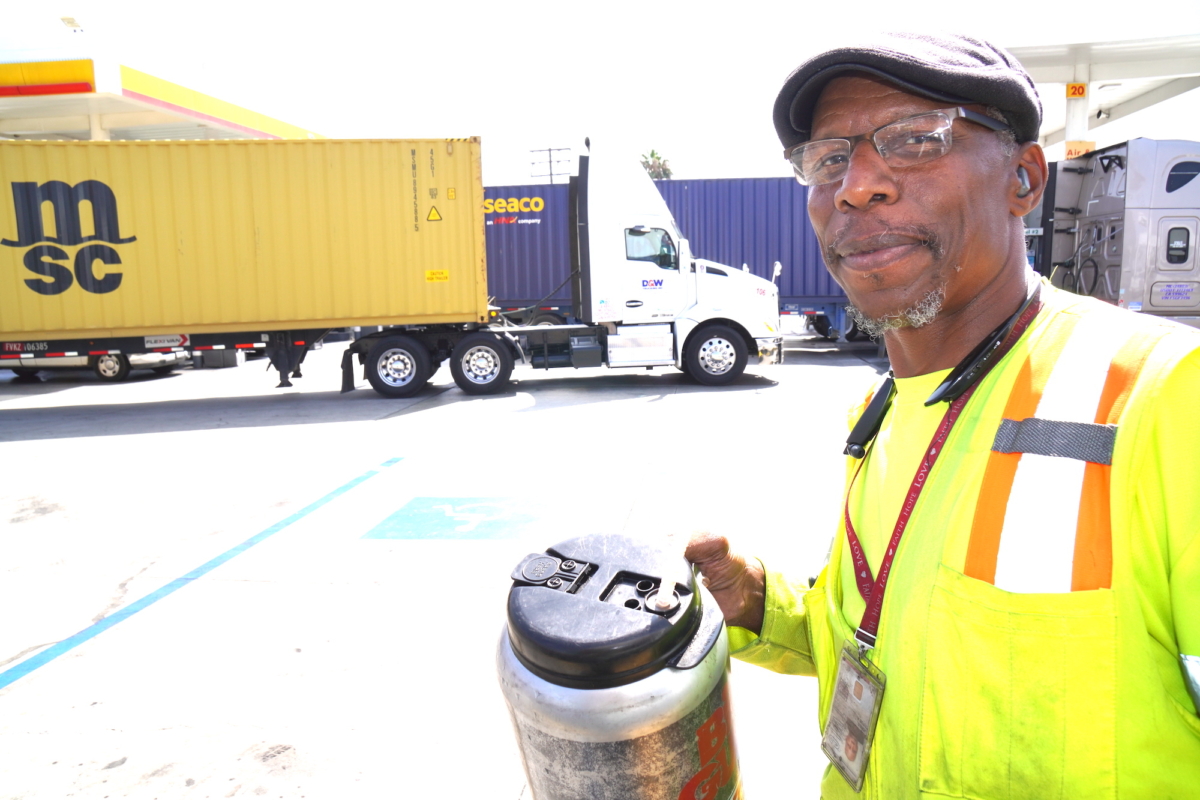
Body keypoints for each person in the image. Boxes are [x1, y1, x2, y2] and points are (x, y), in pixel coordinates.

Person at [686, 33, 1200, 798]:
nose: (858, 186)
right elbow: (889, 629)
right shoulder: (883, 413)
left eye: (915, 140)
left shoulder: (1162, 397)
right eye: (828, 159)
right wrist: (761, 603)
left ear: (1024, 179)